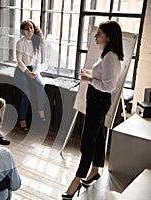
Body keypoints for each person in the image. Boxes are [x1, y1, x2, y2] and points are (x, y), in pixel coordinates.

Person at [62, 21, 124, 199]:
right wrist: (90, 74)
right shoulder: (106, 54)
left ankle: (76, 180)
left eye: (99, 33)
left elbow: (109, 86)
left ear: (108, 37)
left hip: (99, 100)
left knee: (87, 141)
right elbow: (103, 77)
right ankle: (95, 170)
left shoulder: (111, 56)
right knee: (97, 136)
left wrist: (89, 80)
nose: (95, 36)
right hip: (96, 100)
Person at [14, 20, 46, 131]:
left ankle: (40, 111)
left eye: (31, 28)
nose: (30, 30)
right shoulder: (20, 43)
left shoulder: (36, 42)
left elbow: (37, 61)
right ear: (23, 31)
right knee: (26, 93)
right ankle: (22, 119)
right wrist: (28, 73)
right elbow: (19, 61)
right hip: (21, 71)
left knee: (41, 85)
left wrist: (36, 72)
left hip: (33, 70)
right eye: (27, 28)